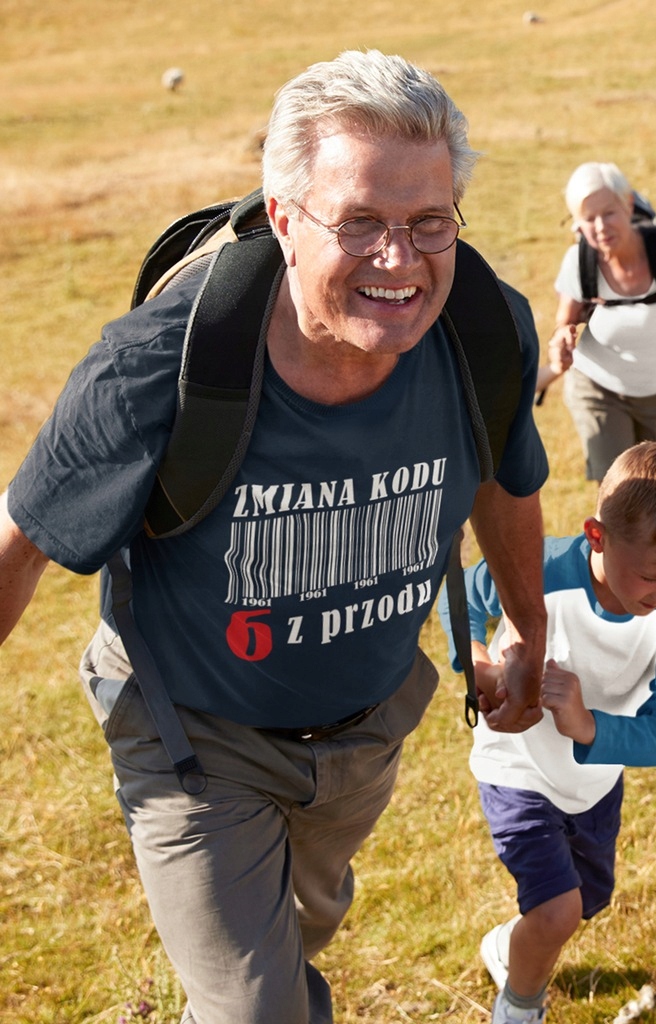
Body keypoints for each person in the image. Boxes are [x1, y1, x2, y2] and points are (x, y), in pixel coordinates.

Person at [0, 49, 549, 1024]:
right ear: (285, 219)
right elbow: (19, 542)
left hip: (368, 725)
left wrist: (524, 636)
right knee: (263, 1010)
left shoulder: (484, 336)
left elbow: (503, 486)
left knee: (292, 943)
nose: (400, 261)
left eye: (430, 222)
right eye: (361, 223)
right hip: (192, 733)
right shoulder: (162, 365)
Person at [439, 441, 656, 1024]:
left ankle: (507, 947)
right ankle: (519, 1008)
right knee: (558, 910)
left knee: (584, 902)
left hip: (592, 786)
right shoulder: (535, 567)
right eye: (653, 578)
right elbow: (461, 594)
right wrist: (476, 664)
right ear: (597, 536)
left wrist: (590, 726)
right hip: (515, 768)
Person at [547, 161, 656, 482]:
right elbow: (564, 323)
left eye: (609, 212)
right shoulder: (578, 262)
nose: (600, 227)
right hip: (597, 389)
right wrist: (561, 341)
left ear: (627, 205)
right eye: (588, 218)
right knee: (618, 489)